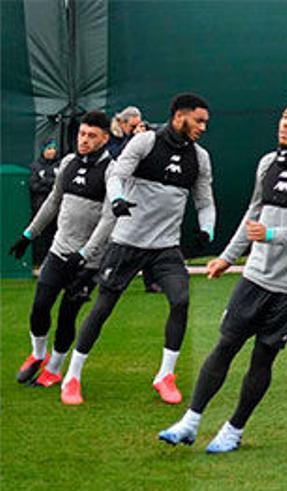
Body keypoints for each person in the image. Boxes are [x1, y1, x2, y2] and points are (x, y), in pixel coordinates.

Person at [159, 93, 287, 453]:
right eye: (285, 115)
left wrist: (274, 235)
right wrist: (228, 257)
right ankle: (190, 421)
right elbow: (252, 215)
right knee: (225, 344)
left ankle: (233, 429)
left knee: (263, 356)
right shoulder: (267, 163)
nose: (286, 122)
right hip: (255, 277)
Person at [61, 93, 216, 406]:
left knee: (181, 300)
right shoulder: (144, 143)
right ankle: (72, 376)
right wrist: (117, 199)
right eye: (198, 120)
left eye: (205, 122)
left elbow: (205, 201)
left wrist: (206, 229)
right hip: (126, 242)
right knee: (103, 307)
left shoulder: (199, 158)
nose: (202, 127)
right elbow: (117, 176)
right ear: (178, 117)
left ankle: (165, 375)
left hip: (165, 248)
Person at [8, 111, 114, 386]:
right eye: (82, 134)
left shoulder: (111, 171)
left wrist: (86, 255)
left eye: (92, 136)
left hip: (88, 261)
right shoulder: (67, 162)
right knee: (40, 306)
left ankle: (54, 369)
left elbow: (108, 219)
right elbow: (53, 202)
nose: (85, 140)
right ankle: (38, 354)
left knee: (68, 314)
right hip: (59, 251)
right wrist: (29, 234)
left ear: (105, 137)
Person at [28, 139, 61, 268]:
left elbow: (61, 185)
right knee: (42, 236)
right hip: (40, 207)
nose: (51, 151)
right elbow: (34, 186)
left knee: (56, 234)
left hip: (58, 208)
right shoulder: (36, 166)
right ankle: (41, 262)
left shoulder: (60, 165)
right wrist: (51, 183)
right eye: (48, 148)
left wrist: (45, 181)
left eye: (53, 148)